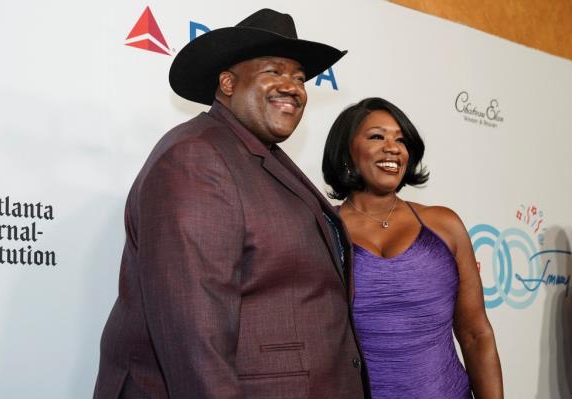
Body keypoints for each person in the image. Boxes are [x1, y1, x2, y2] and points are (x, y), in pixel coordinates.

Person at [94, 9, 368, 399]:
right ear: (227, 83)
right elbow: (194, 336)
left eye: (300, 77)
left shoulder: (258, 156)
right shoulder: (196, 158)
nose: (293, 87)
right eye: (274, 71)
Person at [322, 97, 503, 398]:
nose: (393, 147)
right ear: (347, 150)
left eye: (401, 140)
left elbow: (475, 334)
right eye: (377, 136)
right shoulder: (324, 229)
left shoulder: (444, 224)